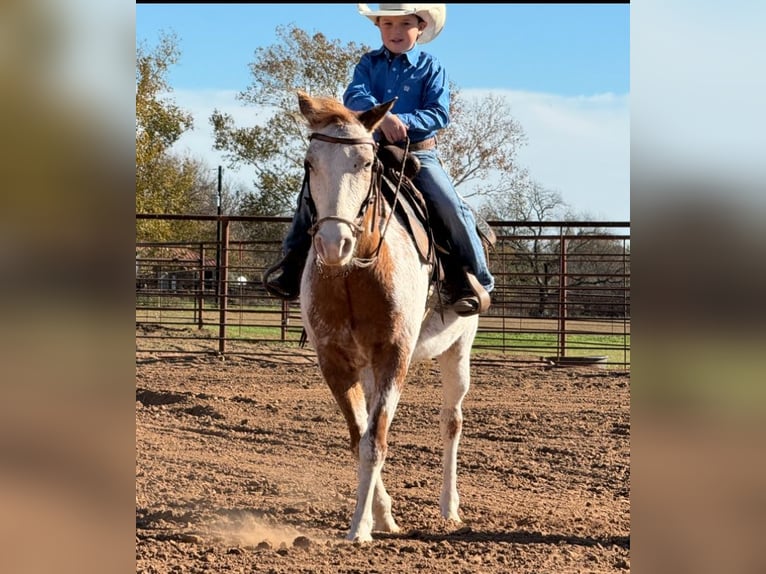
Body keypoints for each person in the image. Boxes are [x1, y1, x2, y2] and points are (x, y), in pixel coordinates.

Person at [263, 3, 494, 316]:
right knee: (313, 193)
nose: (395, 32)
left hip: (418, 151)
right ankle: (291, 266)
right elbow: (355, 96)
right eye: (387, 25)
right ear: (378, 27)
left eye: (404, 25)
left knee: (447, 203)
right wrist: (381, 118)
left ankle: (474, 281)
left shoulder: (431, 67)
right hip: (368, 148)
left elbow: (439, 113)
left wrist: (402, 121)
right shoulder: (368, 63)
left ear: (421, 26)